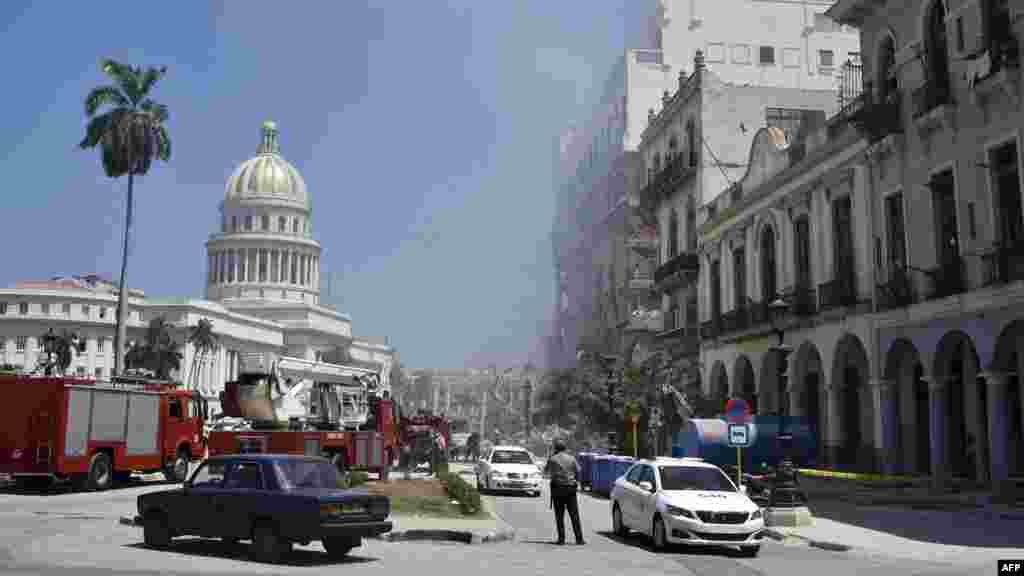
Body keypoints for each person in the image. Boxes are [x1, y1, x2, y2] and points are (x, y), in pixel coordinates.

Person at [544, 440, 584, 545]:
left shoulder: (553, 459)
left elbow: (546, 471)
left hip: (557, 489)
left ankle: (561, 539)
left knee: (559, 515)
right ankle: (579, 539)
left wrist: (550, 458)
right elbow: (578, 471)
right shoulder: (571, 458)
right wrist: (576, 481)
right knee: (574, 515)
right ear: (565, 448)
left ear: (556, 449)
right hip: (570, 489)